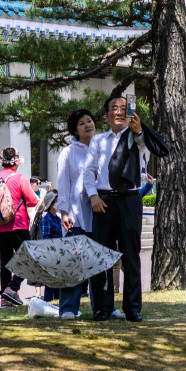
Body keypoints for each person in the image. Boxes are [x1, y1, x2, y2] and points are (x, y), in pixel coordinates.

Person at [84, 95, 166, 322]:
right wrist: (93, 197)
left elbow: (144, 145)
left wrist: (138, 129)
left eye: (123, 108)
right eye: (114, 108)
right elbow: (89, 172)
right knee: (103, 256)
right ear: (106, 115)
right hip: (104, 202)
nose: (119, 112)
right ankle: (102, 307)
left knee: (131, 255)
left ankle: (132, 307)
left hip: (130, 200)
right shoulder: (98, 141)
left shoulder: (136, 138)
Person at [57, 109, 96, 320]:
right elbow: (63, 184)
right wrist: (63, 212)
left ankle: (102, 306)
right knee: (72, 264)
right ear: (75, 130)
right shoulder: (68, 152)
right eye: (82, 123)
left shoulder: (102, 149)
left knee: (98, 264)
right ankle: (68, 308)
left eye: (89, 121)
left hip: (99, 214)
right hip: (75, 215)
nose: (88, 125)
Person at [0, 146, 39, 308]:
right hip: (18, 224)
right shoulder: (20, 178)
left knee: (5, 261)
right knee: (29, 256)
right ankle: (13, 288)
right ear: (16, 162)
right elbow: (32, 200)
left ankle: (4, 298)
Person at [31, 190, 62, 302]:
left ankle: (58, 303)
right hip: (51, 255)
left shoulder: (58, 219)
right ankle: (48, 303)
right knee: (50, 284)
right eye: (56, 200)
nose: (58, 202)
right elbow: (46, 238)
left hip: (58, 255)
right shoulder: (47, 219)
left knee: (58, 283)